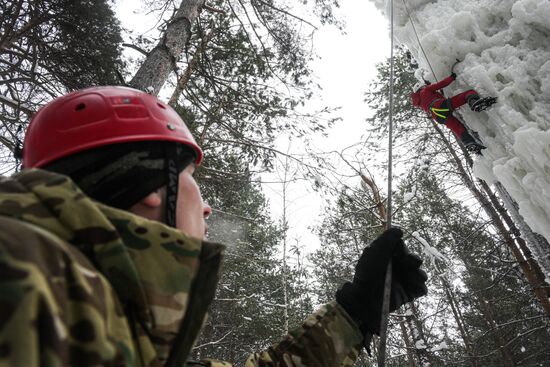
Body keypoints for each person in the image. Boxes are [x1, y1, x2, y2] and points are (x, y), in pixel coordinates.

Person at [0, 86, 428, 366]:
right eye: (192, 181)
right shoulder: (26, 272)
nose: (206, 209)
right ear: (153, 187)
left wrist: (356, 310)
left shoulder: (110, 324)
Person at [410, 73, 496, 154]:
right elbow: (440, 84)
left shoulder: (419, 102)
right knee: (468, 94)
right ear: (422, 87)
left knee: (457, 127)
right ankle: (475, 103)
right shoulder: (426, 89)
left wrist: (440, 96)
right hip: (441, 106)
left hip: (438, 116)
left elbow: (429, 100)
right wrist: (451, 77)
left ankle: (469, 143)